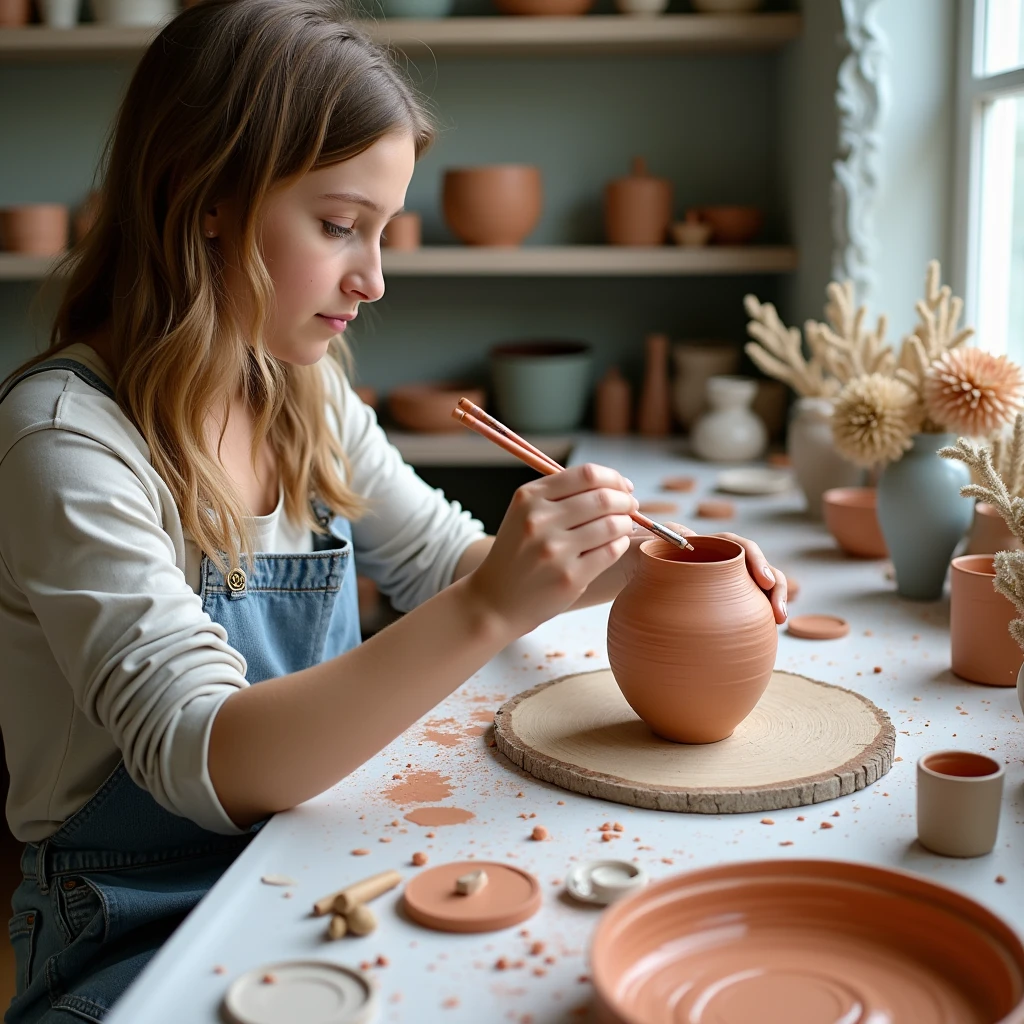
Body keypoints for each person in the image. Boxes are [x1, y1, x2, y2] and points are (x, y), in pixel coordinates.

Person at [0, 2, 788, 1020]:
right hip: (138, 912)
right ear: (207, 197)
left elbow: (442, 562)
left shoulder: (298, 387)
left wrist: (655, 568)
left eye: (381, 231)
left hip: (315, 854)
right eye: (337, 226)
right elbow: (204, 753)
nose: (371, 279)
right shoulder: (65, 439)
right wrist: (492, 608)